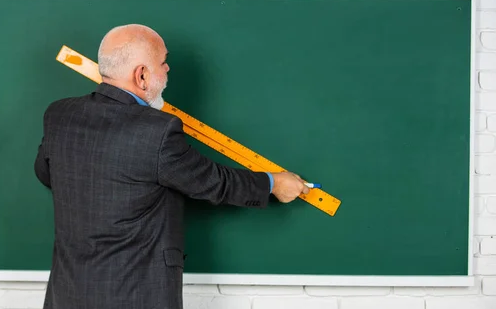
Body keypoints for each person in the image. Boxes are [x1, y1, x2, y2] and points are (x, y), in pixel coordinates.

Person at [34, 24, 310, 309]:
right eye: (163, 63)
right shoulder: (157, 131)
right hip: (136, 297)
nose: (167, 70)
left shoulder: (59, 115)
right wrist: (274, 183)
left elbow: (45, 172)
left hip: (66, 295)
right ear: (141, 75)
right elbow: (214, 182)